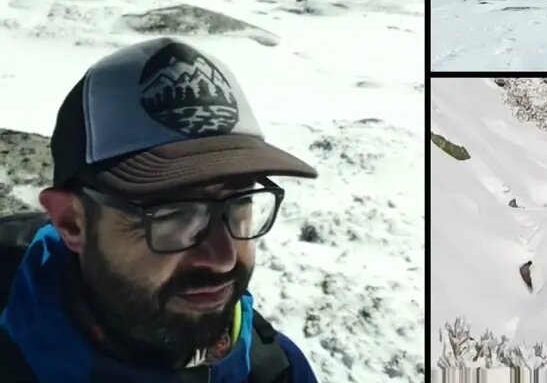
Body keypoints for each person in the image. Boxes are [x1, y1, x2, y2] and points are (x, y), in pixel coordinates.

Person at [0, 37, 321, 382]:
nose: (224, 257)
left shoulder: (275, 371)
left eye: (239, 205)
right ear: (72, 222)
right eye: (175, 216)